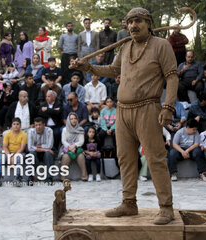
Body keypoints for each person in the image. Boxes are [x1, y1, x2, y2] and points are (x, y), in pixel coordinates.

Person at [71, 7, 179, 224]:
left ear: (148, 23)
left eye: (137, 21)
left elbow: (172, 76)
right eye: (129, 22)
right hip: (123, 110)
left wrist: (168, 107)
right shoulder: (126, 46)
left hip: (148, 108)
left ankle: (166, 207)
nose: (132, 26)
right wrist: (89, 67)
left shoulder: (161, 45)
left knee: (155, 158)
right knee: (125, 158)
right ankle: (128, 203)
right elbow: (113, 70)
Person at [60, 112, 87, 181]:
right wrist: (70, 147)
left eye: (75, 118)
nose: (73, 120)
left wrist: (74, 146)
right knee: (65, 157)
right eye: (71, 119)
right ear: (69, 120)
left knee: (81, 156)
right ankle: (62, 177)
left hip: (77, 148)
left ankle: (84, 176)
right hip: (67, 148)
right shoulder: (65, 129)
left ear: (77, 119)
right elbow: (63, 141)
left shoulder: (80, 129)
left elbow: (81, 141)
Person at [1, 117, 28, 186]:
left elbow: (22, 148)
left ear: (20, 126)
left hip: (19, 152)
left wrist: (14, 156)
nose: (16, 126)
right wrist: (9, 156)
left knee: (19, 158)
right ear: (11, 125)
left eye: (17, 124)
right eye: (14, 124)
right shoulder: (7, 134)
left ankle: (17, 177)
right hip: (8, 152)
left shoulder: (24, 134)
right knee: (1, 158)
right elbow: (5, 146)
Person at [28, 117, 55, 184]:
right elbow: (30, 148)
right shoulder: (31, 131)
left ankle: (49, 178)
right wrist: (44, 148)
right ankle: (30, 177)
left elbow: (49, 146)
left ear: (44, 125)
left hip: (45, 153)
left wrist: (37, 146)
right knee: (31, 154)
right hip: (36, 152)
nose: (38, 127)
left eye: (40, 125)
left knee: (48, 154)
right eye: (36, 125)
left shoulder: (49, 131)